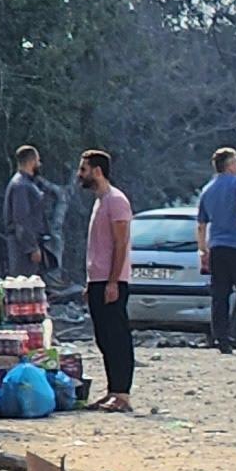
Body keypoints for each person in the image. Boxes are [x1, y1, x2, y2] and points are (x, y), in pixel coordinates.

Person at [77, 149, 135, 412]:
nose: (81, 175)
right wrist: (92, 282)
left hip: (113, 281)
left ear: (97, 171)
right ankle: (112, 389)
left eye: (83, 169)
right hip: (98, 279)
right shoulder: (100, 201)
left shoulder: (116, 201)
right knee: (103, 337)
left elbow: (120, 243)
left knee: (117, 336)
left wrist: (113, 281)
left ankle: (123, 394)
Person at [195, 149, 236, 352]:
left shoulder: (208, 189)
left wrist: (202, 250)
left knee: (220, 296)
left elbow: (201, 224)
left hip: (217, 247)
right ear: (230, 164)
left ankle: (222, 340)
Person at [0, 147, 58, 289]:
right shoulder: (21, 186)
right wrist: (31, 248)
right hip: (22, 250)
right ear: (31, 161)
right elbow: (21, 220)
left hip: (28, 245)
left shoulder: (27, 184)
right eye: (37, 160)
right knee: (24, 289)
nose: (39, 164)